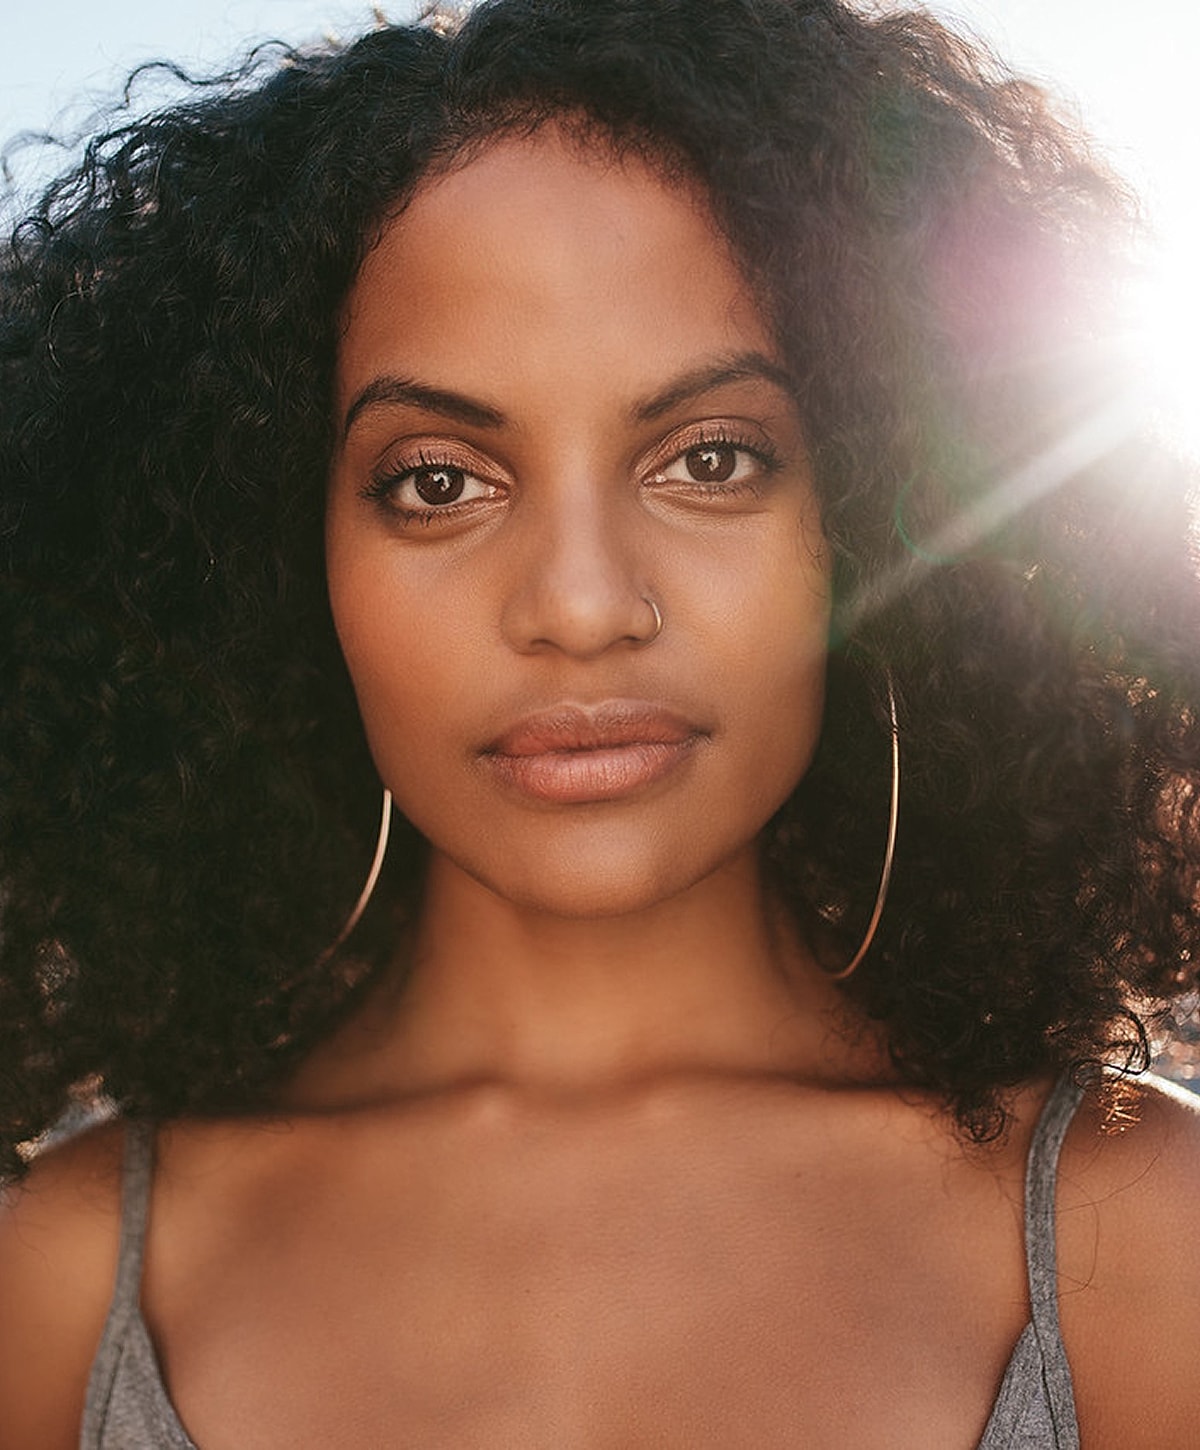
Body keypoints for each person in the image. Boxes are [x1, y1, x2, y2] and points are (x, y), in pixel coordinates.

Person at [2, 0, 1199, 1444]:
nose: (580, 603)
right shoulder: (54, 1283)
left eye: (709, 457)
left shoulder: (1136, 1236)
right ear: (270, 554)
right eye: (437, 480)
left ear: (880, 520)